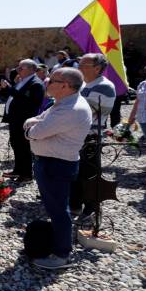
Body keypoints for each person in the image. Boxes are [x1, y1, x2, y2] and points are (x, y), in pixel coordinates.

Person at [24, 68, 92, 269]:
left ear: (65, 85)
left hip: (56, 164)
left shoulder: (71, 109)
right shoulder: (62, 103)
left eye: (52, 80)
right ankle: (53, 245)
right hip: (50, 162)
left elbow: (34, 131)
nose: (47, 82)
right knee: (55, 208)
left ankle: (61, 254)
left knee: (59, 211)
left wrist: (31, 130)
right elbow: (35, 121)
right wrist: (34, 127)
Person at [69, 53, 116, 220]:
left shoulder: (104, 87)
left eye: (83, 65)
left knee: (88, 174)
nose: (79, 68)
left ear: (97, 68)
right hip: (75, 135)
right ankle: (74, 204)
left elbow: (83, 111)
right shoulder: (83, 84)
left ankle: (91, 209)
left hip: (90, 137)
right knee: (74, 172)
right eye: (79, 64)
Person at [1, 59, 45, 182]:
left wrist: (10, 88)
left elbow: (31, 103)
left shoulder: (36, 83)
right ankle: (18, 170)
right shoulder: (22, 81)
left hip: (23, 120)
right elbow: (14, 96)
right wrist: (7, 89)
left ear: (31, 69)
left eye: (21, 68)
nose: (17, 70)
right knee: (16, 144)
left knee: (24, 147)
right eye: (18, 67)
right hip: (15, 119)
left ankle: (26, 174)